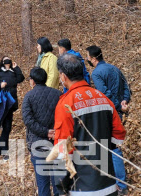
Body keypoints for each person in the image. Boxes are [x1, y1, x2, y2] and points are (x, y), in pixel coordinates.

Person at [53, 53, 126, 196]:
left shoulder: (66, 105)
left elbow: (63, 152)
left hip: (82, 188)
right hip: (109, 184)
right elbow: (119, 134)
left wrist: (61, 186)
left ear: (63, 76)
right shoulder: (103, 99)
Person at [86, 45, 131, 196]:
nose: (87, 59)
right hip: (119, 110)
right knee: (113, 145)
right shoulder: (114, 68)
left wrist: (118, 105)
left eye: (88, 57)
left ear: (93, 59)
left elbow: (105, 94)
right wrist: (125, 101)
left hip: (110, 113)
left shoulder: (97, 73)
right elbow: (126, 86)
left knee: (113, 147)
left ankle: (121, 184)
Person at [22, 67, 61, 196]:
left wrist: (45, 132)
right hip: (57, 141)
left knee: (43, 183)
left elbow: (28, 120)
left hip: (38, 143)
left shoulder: (29, 96)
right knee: (58, 181)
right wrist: (52, 131)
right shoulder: (58, 94)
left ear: (32, 81)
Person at [0, 56, 25, 158]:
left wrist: (17, 68)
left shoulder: (13, 72)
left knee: (7, 127)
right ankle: (3, 151)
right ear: (2, 61)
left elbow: (21, 78)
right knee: (6, 127)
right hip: (2, 102)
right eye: (5, 60)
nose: (7, 61)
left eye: (8, 60)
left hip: (11, 102)